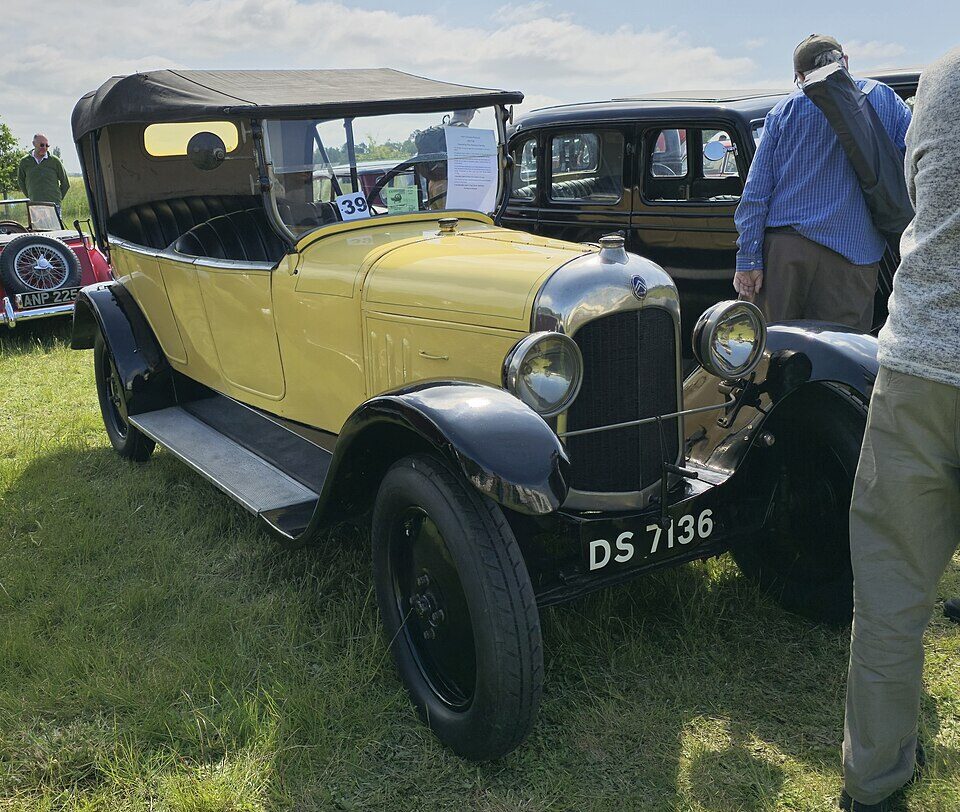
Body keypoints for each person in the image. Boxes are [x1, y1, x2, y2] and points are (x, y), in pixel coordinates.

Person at [841, 47, 960, 811]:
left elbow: (921, 191)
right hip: (920, 353)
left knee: (889, 599)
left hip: (919, 359)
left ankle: (873, 784)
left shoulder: (944, 75)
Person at [733, 35, 912, 331]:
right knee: (840, 362)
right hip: (854, 256)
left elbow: (755, 194)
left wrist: (749, 258)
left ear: (800, 77)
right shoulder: (883, 98)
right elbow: (913, 163)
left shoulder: (784, 111)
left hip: (785, 255)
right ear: (845, 62)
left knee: (770, 356)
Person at [16, 133, 70, 213]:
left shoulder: (55, 161)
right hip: (35, 206)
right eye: (42, 145)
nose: (44, 148)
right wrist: (31, 196)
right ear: (34, 144)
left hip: (53, 206)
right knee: (37, 226)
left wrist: (57, 198)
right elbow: (21, 182)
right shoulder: (25, 162)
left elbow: (65, 183)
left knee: (54, 226)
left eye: (47, 145)